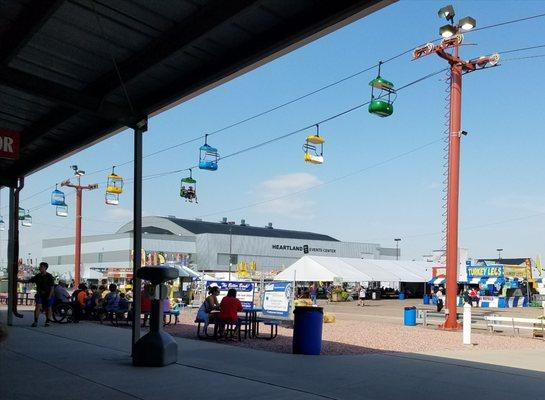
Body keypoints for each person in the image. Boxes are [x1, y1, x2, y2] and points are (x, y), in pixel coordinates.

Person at [19, 262, 55, 327]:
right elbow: (29, 281)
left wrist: (49, 296)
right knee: (38, 306)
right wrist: (20, 280)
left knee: (48, 308)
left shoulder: (49, 276)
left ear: (45, 268)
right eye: (40, 266)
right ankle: (35, 321)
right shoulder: (37, 276)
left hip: (48, 294)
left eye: (41, 266)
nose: (40, 268)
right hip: (40, 294)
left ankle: (47, 321)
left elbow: (52, 288)